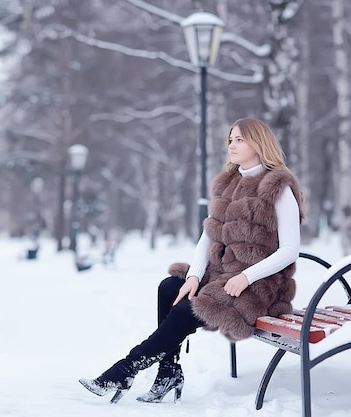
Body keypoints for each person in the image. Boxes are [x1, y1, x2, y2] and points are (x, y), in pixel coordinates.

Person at [79, 118, 304, 404]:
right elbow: (207, 237)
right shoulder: (230, 184)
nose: (231, 145)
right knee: (170, 287)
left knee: (189, 309)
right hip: (224, 275)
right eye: (230, 139)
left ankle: (125, 369)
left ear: (258, 143)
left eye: (239, 140)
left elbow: (289, 250)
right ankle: (168, 371)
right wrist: (194, 277)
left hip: (259, 287)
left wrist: (246, 277)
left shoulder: (278, 188)